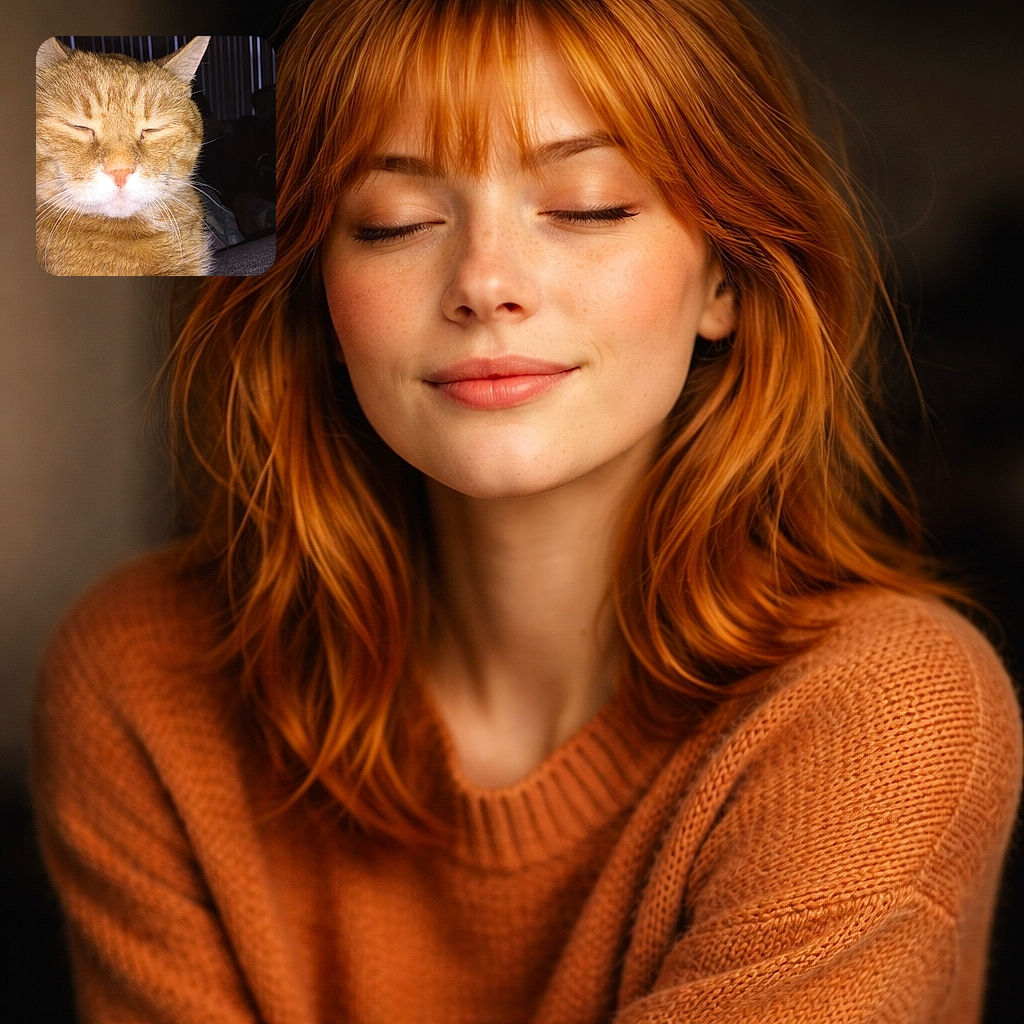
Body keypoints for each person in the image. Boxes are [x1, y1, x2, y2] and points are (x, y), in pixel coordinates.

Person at [32, 1, 1021, 1021]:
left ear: (726, 275)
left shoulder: (885, 707)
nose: (484, 285)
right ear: (318, 297)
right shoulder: (142, 671)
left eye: (588, 206)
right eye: (394, 224)